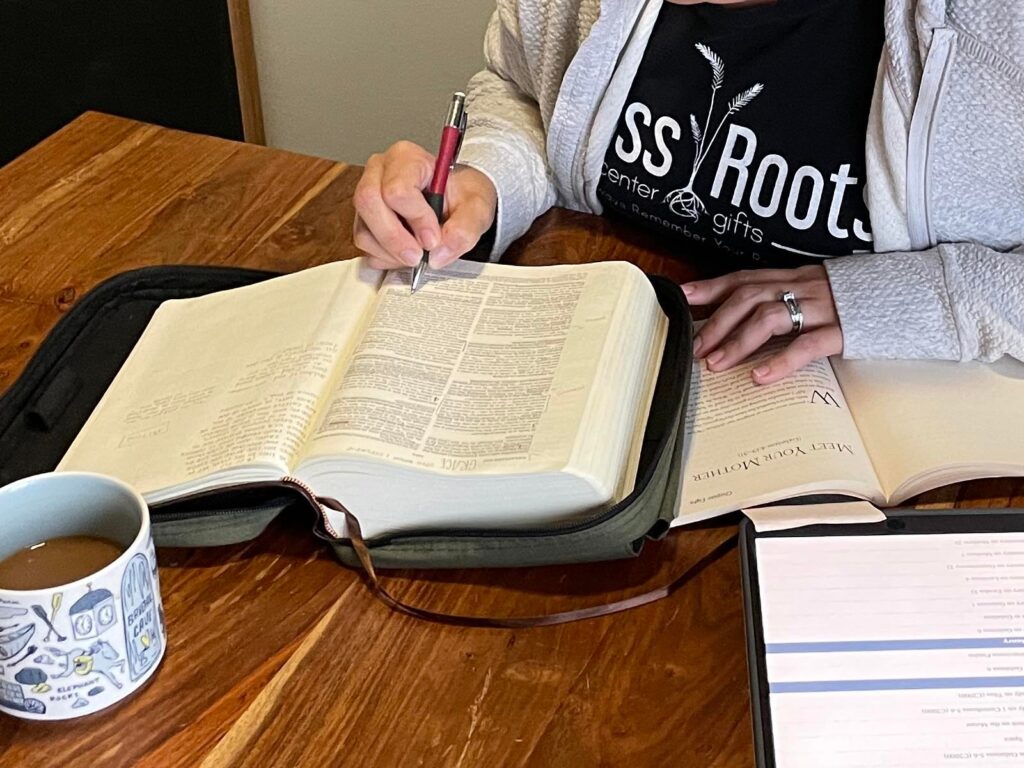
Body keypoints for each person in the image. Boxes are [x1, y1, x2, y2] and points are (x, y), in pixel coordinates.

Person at [352, 0, 1024, 384]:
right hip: (600, 377)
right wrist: (486, 180)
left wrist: (909, 298)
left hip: (897, 436)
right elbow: (523, 88)